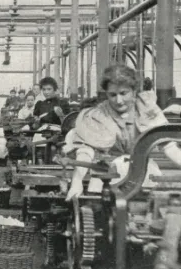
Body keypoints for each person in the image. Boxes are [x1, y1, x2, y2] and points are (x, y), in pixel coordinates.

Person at [63, 64, 181, 201]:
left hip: (142, 173)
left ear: (134, 90)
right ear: (106, 94)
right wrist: (77, 183)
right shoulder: (97, 115)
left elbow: (168, 146)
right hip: (107, 176)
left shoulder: (145, 108)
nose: (118, 101)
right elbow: (85, 152)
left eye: (123, 93)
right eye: (112, 95)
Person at [32, 77, 70, 164]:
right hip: (42, 131)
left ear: (55, 90)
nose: (46, 92)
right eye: (44, 89)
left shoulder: (63, 103)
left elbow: (68, 123)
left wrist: (60, 115)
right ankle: (39, 163)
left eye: (49, 89)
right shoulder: (40, 104)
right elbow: (35, 126)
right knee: (37, 144)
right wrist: (36, 122)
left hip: (58, 131)